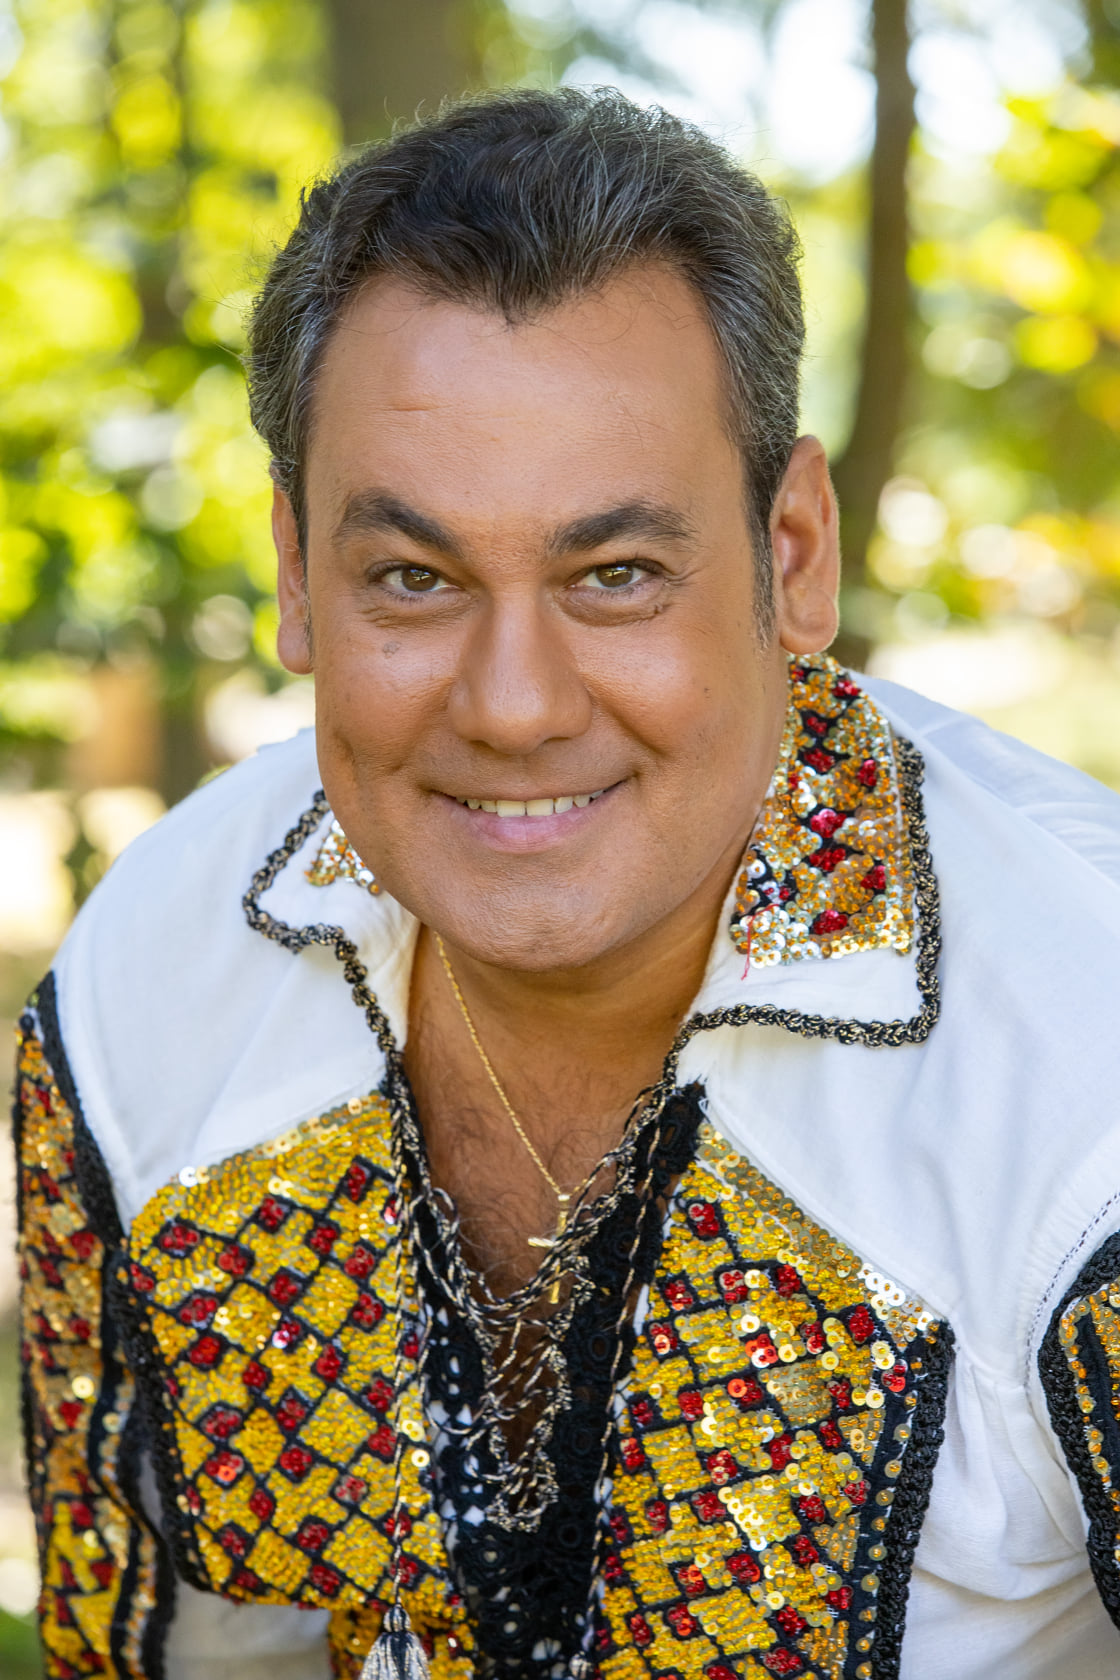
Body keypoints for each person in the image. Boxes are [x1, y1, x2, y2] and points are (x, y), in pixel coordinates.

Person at [14, 86, 1120, 1680]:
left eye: (617, 576)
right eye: (413, 578)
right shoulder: (149, 987)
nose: (514, 705)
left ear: (793, 555)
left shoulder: (1084, 1068)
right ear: (297, 578)